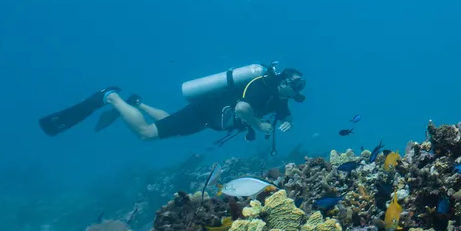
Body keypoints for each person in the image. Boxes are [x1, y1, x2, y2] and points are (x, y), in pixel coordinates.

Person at [38, 63, 306, 142]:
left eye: (300, 88)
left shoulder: (279, 97)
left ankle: (138, 104)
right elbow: (243, 108)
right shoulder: (261, 87)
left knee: (168, 122)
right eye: (295, 85)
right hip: (205, 111)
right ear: (282, 80)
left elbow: (285, 114)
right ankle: (110, 97)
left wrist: (288, 123)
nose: (297, 91)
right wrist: (259, 125)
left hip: (207, 118)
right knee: (147, 134)